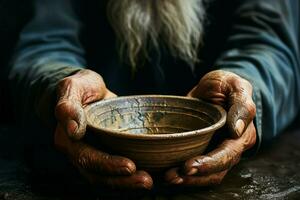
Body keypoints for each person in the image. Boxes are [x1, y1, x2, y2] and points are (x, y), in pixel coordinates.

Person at [9, 0, 300, 190]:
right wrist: (59, 87)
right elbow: (42, 44)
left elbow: (270, 43)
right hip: (84, 159)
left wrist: (247, 88)